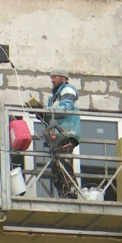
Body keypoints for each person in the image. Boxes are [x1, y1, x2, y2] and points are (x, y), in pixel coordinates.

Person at [42, 67, 81, 199]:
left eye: (55, 77)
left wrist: (46, 110)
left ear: (63, 78)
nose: (52, 80)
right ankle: (63, 195)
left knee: (63, 166)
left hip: (66, 133)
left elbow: (64, 109)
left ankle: (72, 194)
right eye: (51, 77)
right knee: (56, 170)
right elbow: (50, 117)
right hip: (57, 135)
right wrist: (39, 112)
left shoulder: (67, 91)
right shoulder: (54, 97)